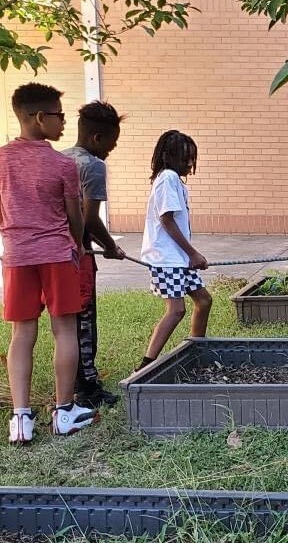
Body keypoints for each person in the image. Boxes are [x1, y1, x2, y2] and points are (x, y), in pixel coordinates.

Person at [1, 83, 98, 443]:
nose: (62, 122)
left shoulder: (1, 160)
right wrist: (77, 245)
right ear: (39, 118)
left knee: (21, 334)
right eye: (58, 115)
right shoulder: (63, 164)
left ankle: (21, 419)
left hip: (16, 257)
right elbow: (76, 219)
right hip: (57, 256)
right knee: (65, 330)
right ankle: (64, 411)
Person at [63, 100, 127, 408]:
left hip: (56, 254)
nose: (109, 152)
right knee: (85, 321)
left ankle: (73, 383)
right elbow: (89, 218)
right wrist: (111, 247)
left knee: (65, 323)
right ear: (97, 138)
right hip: (80, 254)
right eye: (111, 145)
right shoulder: (92, 165)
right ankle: (87, 387)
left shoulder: (60, 159)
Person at [137, 130, 213, 371]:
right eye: (186, 157)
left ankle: (196, 349)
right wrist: (193, 253)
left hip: (178, 259)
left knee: (203, 300)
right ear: (169, 156)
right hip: (166, 259)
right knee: (176, 309)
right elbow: (166, 219)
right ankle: (145, 365)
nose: (190, 163)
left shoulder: (172, 179)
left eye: (192, 157)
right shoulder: (168, 178)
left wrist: (188, 255)